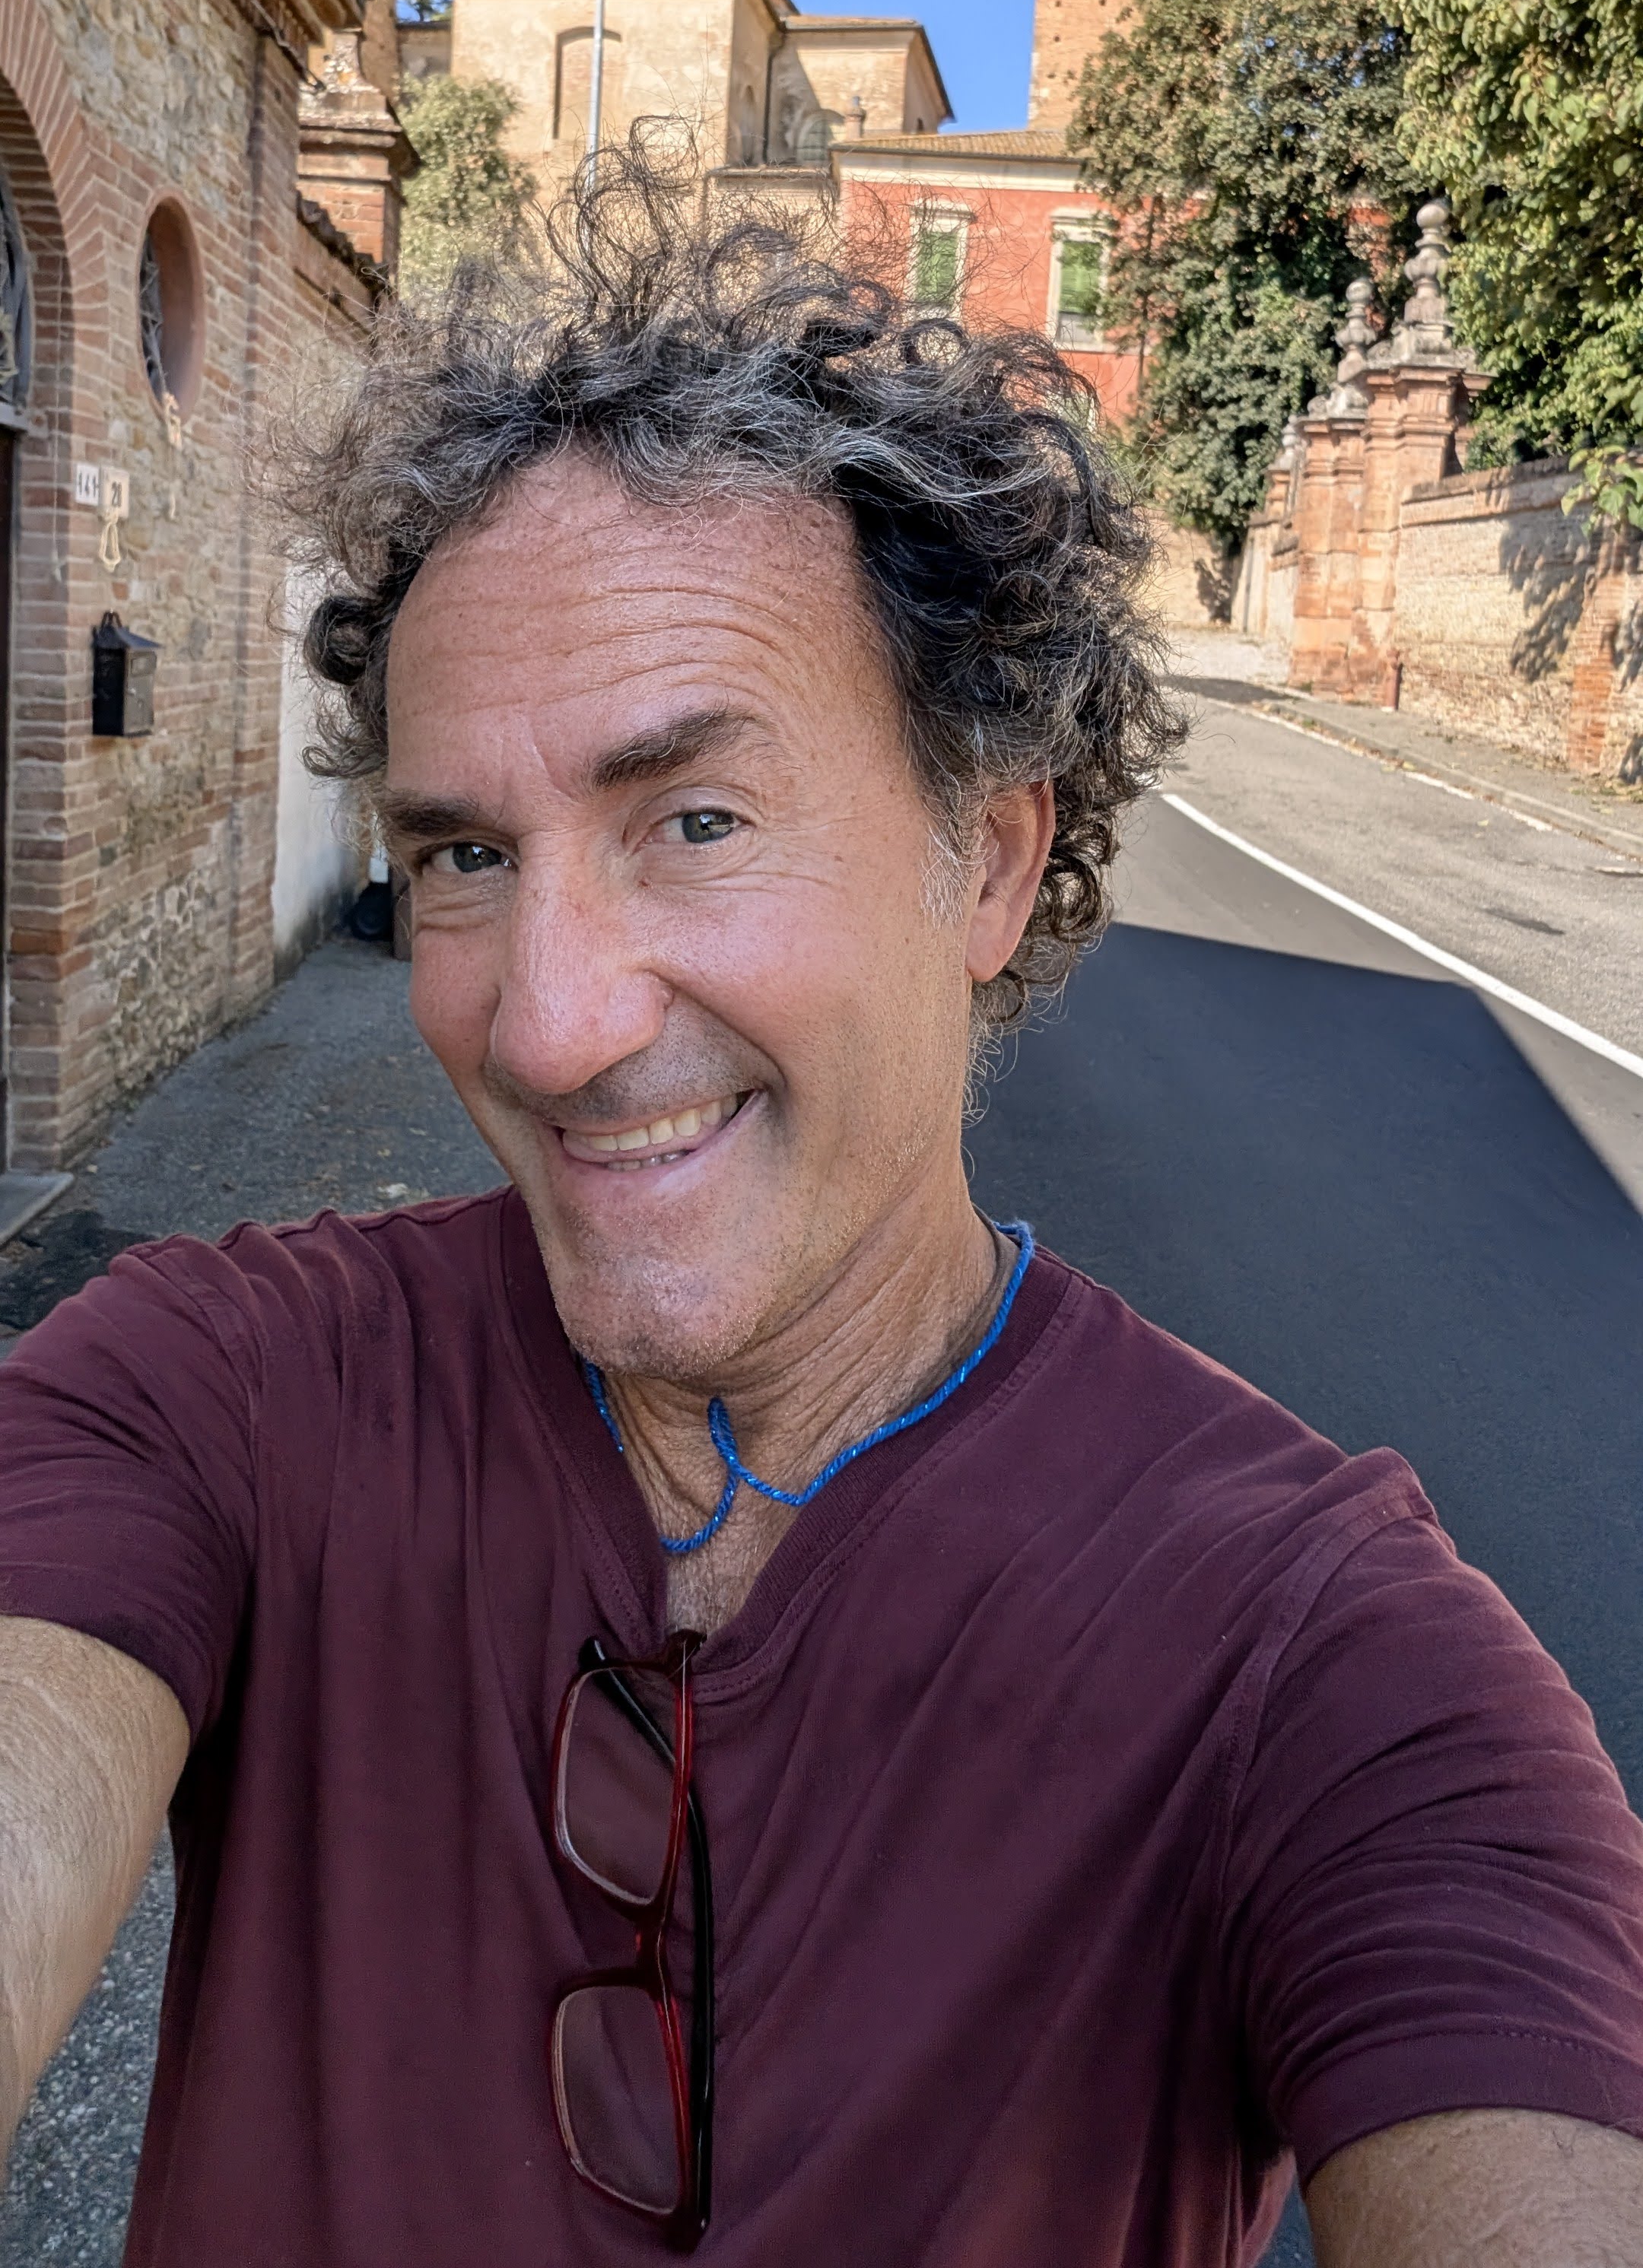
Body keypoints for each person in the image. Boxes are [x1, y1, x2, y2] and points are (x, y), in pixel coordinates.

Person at [1, 164, 1641, 2268]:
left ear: (990, 860)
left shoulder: (1316, 1657)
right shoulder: (207, 1392)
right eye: (466, 857)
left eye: (694, 818)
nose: (549, 1026)